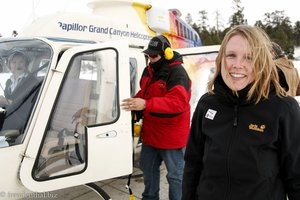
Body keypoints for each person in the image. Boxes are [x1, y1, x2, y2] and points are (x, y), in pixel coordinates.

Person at [182, 25, 300, 200]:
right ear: (221, 59)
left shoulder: (283, 109)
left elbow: (296, 177)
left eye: (249, 58)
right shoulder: (207, 104)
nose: (238, 65)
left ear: (261, 62)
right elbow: (193, 165)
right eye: (231, 55)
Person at [121, 35, 191, 200]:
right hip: (151, 135)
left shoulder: (178, 73)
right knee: (148, 169)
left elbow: (177, 103)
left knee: (175, 177)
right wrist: (133, 103)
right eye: (148, 55)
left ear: (167, 53)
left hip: (171, 138)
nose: (151, 59)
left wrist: (145, 104)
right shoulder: (149, 70)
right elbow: (144, 93)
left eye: (154, 56)